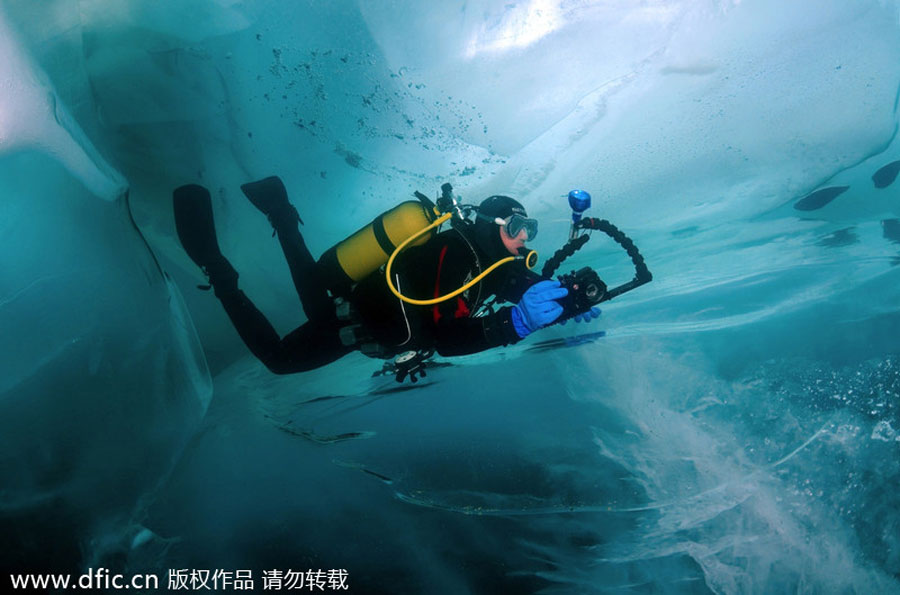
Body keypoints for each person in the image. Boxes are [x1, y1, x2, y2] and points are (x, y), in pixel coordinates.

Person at [173, 176, 599, 375]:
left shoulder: (489, 263)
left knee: (312, 286)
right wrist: (514, 323)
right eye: (516, 228)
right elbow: (444, 338)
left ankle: (282, 215)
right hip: (352, 321)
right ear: (491, 226)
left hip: (362, 317)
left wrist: (557, 294)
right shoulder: (453, 253)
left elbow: (511, 281)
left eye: (530, 230)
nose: (524, 239)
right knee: (280, 361)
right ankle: (221, 272)